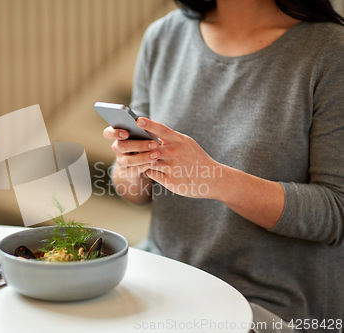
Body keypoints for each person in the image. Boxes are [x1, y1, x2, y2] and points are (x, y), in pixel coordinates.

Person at [103, 0, 344, 332]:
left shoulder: (330, 51)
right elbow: (137, 193)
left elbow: (334, 213)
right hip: (166, 281)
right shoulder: (163, 36)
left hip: (268, 304)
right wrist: (130, 165)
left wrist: (213, 178)